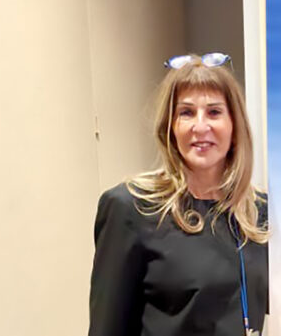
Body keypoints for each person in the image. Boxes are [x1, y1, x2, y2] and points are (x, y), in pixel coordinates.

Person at [88, 53, 268, 336]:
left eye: (214, 112)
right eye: (186, 113)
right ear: (170, 128)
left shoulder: (258, 213)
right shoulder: (131, 208)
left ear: (235, 126)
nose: (200, 126)